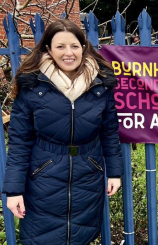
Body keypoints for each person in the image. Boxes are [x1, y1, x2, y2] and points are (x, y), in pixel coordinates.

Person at [2, 19, 123, 244]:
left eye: (74, 46)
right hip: (42, 178)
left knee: (82, 235)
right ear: (48, 49)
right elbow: (19, 141)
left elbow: (109, 132)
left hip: (88, 175)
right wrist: (13, 190)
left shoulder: (100, 85)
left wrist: (114, 173)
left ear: (83, 48)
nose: (69, 53)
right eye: (60, 46)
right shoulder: (32, 86)